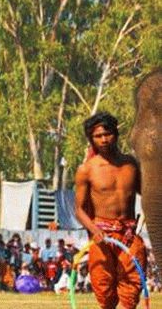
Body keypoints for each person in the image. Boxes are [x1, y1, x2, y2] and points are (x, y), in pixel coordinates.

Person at [75, 111, 146, 309]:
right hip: (102, 236)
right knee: (104, 293)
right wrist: (94, 231)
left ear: (116, 134)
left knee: (131, 291)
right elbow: (79, 210)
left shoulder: (131, 164)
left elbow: (146, 195)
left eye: (108, 134)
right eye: (98, 136)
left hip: (130, 235)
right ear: (91, 139)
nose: (104, 140)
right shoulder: (86, 170)